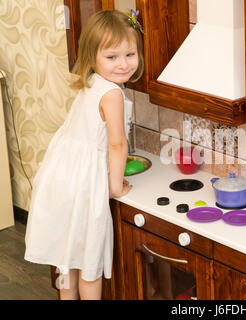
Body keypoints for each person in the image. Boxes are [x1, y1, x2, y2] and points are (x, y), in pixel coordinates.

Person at [24, 9, 144, 300]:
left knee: (67, 260)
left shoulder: (91, 82)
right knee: (90, 260)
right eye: (112, 57)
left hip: (61, 179)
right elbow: (117, 145)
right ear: (92, 58)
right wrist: (115, 186)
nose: (123, 64)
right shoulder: (112, 94)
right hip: (84, 186)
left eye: (130, 54)